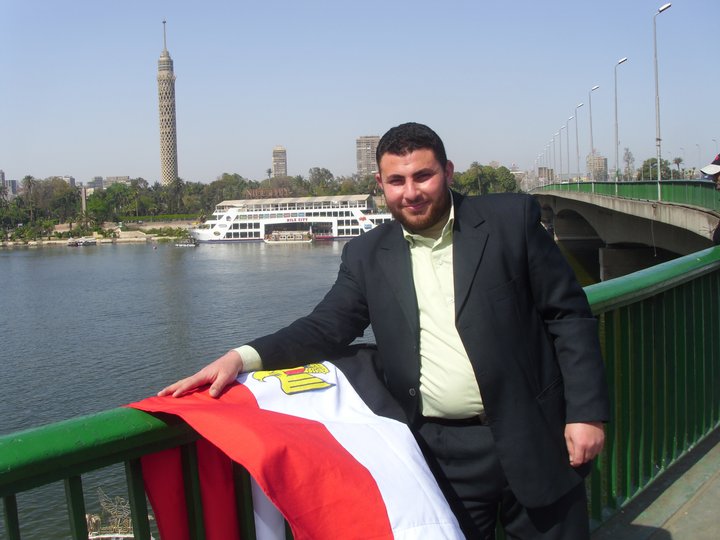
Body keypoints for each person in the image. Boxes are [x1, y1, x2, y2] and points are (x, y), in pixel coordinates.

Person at [160, 122, 610, 539]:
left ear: (448, 171)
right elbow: (325, 327)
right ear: (381, 184)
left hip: (533, 430)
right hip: (441, 451)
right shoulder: (368, 254)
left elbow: (568, 316)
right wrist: (240, 358)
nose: (411, 192)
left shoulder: (509, 222)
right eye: (397, 181)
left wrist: (586, 413)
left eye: (423, 176)